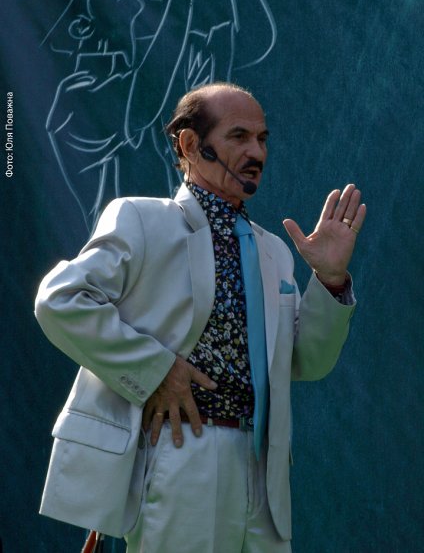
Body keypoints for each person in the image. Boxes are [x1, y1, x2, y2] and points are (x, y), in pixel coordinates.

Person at [35, 82, 366, 553]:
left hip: (264, 471)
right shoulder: (142, 219)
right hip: (182, 450)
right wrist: (155, 370)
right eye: (239, 137)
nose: (257, 152)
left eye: (262, 139)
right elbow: (60, 300)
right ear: (191, 145)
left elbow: (307, 361)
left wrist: (330, 281)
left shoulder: (274, 250)